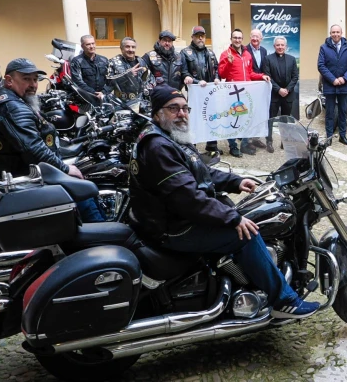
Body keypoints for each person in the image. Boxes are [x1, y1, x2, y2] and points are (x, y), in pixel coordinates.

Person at [129, 85, 319, 319]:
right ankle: (284, 301)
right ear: (157, 113)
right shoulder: (158, 147)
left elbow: (198, 172)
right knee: (247, 234)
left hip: (168, 219)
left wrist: (235, 182)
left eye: (185, 108)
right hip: (173, 228)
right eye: (173, 109)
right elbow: (189, 199)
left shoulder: (168, 137)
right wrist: (233, 218)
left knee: (236, 214)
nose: (181, 113)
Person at [0, 58, 104, 222]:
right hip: (16, 176)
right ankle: (100, 237)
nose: (33, 85)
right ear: (9, 80)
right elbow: (33, 149)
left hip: (10, 169)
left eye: (35, 79)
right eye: (26, 79)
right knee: (81, 190)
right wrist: (64, 169)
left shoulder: (7, 98)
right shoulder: (12, 107)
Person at [218, 29, 271, 157]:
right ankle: (233, 146)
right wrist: (229, 63)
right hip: (232, 93)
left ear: (242, 39)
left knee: (247, 118)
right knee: (233, 119)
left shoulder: (247, 54)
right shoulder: (226, 54)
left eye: (239, 38)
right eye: (235, 37)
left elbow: (250, 73)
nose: (237, 40)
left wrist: (262, 76)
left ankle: (245, 144)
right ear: (231, 39)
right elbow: (222, 74)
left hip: (246, 93)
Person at [181, 25, 221, 156]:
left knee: (212, 118)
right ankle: (193, 146)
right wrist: (197, 82)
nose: (200, 38)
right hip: (195, 94)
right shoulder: (185, 52)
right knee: (194, 119)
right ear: (192, 37)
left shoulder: (211, 53)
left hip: (210, 94)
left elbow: (217, 69)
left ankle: (212, 145)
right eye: (197, 36)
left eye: (202, 36)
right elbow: (184, 72)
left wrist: (216, 78)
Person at [317, 25, 347, 145]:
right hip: (330, 85)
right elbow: (321, 65)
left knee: (343, 112)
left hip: (343, 85)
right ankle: (329, 137)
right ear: (330, 33)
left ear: (341, 33)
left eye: (337, 32)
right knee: (329, 112)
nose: (335, 34)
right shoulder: (324, 48)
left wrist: (344, 78)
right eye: (333, 32)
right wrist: (333, 79)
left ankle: (342, 136)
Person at [262, 36, 299, 153]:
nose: (280, 47)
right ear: (274, 46)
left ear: (286, 47)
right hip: (274, 94)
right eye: (278, 45)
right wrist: (279, 90)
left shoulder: (292, 59)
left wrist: (287, 89)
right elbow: (268, 77)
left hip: (288, 94)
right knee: (270, 119)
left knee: (285, 119)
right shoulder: (268, 59)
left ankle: (285, 141)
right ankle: (269, 141)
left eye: (282, 45)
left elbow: (295, 77)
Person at [245, 29, 270, 149]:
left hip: (261, 87)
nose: (255, 39)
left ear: (261, 39)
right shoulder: (244, 50)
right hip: (249, 86)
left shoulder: (264, 51)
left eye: (257, 37)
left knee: (259, 112)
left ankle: (256, 138)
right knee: (249, 112)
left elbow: (265, 68)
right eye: (253, 36)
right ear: (250, 37)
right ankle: (248, 140)